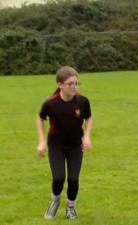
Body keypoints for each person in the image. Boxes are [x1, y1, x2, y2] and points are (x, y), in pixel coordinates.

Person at [36, 66, 92, 220]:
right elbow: (40, 118)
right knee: (59, 178)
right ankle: (55, 201)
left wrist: (86, 136)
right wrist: (42, 142)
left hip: (75, 145)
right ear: (60, 85)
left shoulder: (82, 101)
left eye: (76, 83)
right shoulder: (50, 103)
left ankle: (70, 207)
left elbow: (88, 118)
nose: (74, 87)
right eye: (70, 84)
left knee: (73, 178)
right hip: (56, 146)